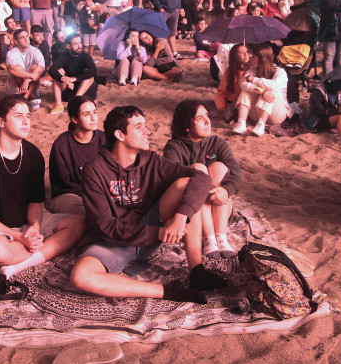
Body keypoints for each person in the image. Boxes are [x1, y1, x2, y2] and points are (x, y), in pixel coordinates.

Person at [71, 106, 226, 303]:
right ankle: (168, 291)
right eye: (139, 127)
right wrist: (159, 233)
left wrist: (181, 217)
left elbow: (202, 179)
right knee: (81, 277)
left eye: (145, 125)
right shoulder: (94, 169)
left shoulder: (151, 160)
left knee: (186, 185)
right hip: (111, 243)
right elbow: (105, 227)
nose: (148, 131)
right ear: (119, 135)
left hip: (148, 231)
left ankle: (197, 271)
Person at [0, 96, 85, 278]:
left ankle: (21, 262)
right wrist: (19, 237)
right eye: (19, 116)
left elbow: (35, 202)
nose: (26, 121)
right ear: (0, 121)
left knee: (82, 223)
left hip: (25, 223)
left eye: (28, 116)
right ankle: (42, 250)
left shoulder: (33, 154)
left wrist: (34, 226)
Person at [163, 100, 242, 259]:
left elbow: (235, 171)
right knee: (198, 170)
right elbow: (172, 180)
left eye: (207, 115)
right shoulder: (173, 147)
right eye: (199, 118)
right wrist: (205, 187)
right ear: (187, 126)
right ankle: (209, 238)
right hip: (192, 210)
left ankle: (220, 236)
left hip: (220, 207)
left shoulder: (218, 143)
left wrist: (225, 190)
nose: (207, 121)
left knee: (219, 167)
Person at [48, 96, 106, 215]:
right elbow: (63, 184)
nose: (93, 118)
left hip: (102, 193)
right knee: (87, 212)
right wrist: (93, 194)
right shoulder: (62, 144)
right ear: (75, 119)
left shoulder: (105, 139)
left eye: (94, 112)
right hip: (71, 195)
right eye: (86, 114)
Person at [232, 43, 292, 136]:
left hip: (277, 115)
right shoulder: (252, 71)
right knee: (247, 89)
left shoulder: (280, 72)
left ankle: (261, 124)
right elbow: (242, 84)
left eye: (253, 57)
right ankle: (241, 123)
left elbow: (273, 86)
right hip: (256, 114)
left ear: (261, 59)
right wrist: (261, 91)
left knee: (269, 90)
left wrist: (252, 79)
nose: (250, 58)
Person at [48, 33, 97, 114]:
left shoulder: (85, 56)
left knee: (90, 76)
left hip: (84, 91)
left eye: (80, 42)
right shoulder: (65, 56)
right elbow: (52, 69)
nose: (79, 46)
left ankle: (75, 102)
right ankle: (59, 105)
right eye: (75, 44)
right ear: (68, 46)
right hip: (69, 89)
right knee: (59, 71)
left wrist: (74, 78)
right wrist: (64, 80)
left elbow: (93, 70)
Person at [5, 27, 45, 110]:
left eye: (27, 36)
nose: (26, 39)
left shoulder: (35, 51)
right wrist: (31, 76)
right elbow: (12, 70)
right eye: (22, 37)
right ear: (16, 41)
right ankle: (31, 97)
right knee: (17, 68)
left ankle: (25, 98)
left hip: (31, 86)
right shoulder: (11, 53)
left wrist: (27, 80)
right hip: (16, 88)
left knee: (36, 68)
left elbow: (42, 67)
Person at [215, 43, 251, 122]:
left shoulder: (252, 71)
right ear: (235, 56)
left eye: (247, 51)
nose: (245, 54)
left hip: (246, 105)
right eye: (240, 52)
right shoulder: (229, 71)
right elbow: (221, 92)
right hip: (231, 104)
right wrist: (221, 107)